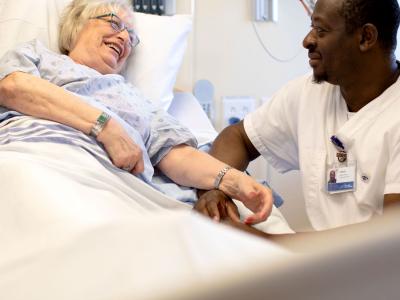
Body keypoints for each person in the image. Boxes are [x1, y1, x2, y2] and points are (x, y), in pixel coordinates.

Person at [0, 0, 273, 225]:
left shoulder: (138, 100)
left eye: (131, 37)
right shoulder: (38, 56)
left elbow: (177, 156)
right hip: (32, 159)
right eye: (114, 23)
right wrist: (104, 127)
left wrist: (234, 180)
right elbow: (12, 87)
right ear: (77, 26)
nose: (124, 38)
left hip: (109, 184)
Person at [195, 0, 400, 232]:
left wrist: (252, 237)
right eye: (311, 28)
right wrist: (218, 188)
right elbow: (238, 137)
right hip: (330, 264)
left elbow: (389, 243)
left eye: (321, 31)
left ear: (366, 37)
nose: (307, 41)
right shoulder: (310, 92)